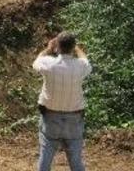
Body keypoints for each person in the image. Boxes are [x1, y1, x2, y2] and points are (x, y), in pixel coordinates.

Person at [32, 32, 92, 171]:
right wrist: (77, 48)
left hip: (50, 117)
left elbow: (36, 62)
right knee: (76, 161)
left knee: (45, 158)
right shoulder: (80, 66)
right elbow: (86, 60)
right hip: (74, 118)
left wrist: (48, 48)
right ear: (72, 47)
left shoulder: (48, 64)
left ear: (57, 46)